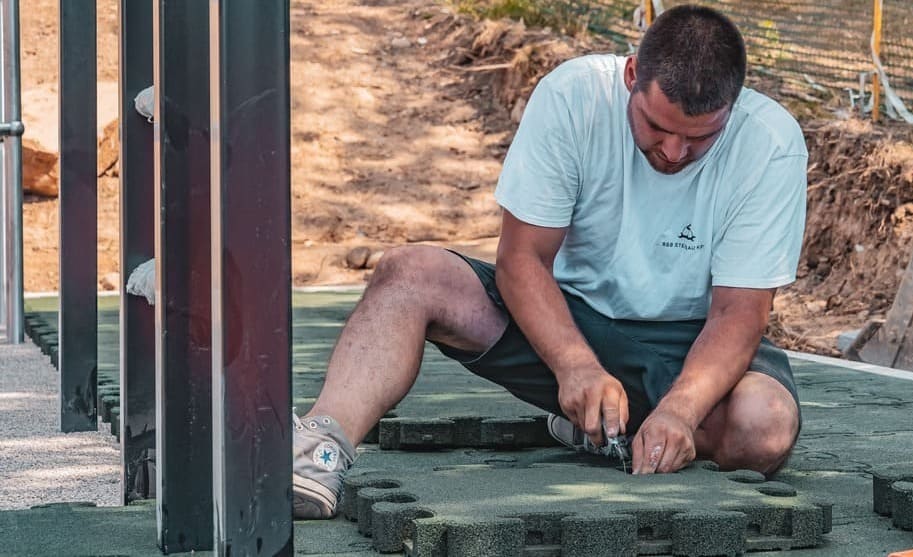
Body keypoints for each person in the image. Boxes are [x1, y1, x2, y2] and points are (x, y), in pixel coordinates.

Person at [292, 4, 808, 520]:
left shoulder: (771, 143)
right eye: (656, 126)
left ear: (732, 107)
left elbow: (737, 315)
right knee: (411, 273)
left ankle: (611, 426)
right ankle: (321, 447)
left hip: (690, 343)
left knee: (763, 427)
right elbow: (521, 259)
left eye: (699, 138)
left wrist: (680, 410)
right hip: (566, 319)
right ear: (632, 75)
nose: (674, 152)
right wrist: (576, 367)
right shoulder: (572, 97)